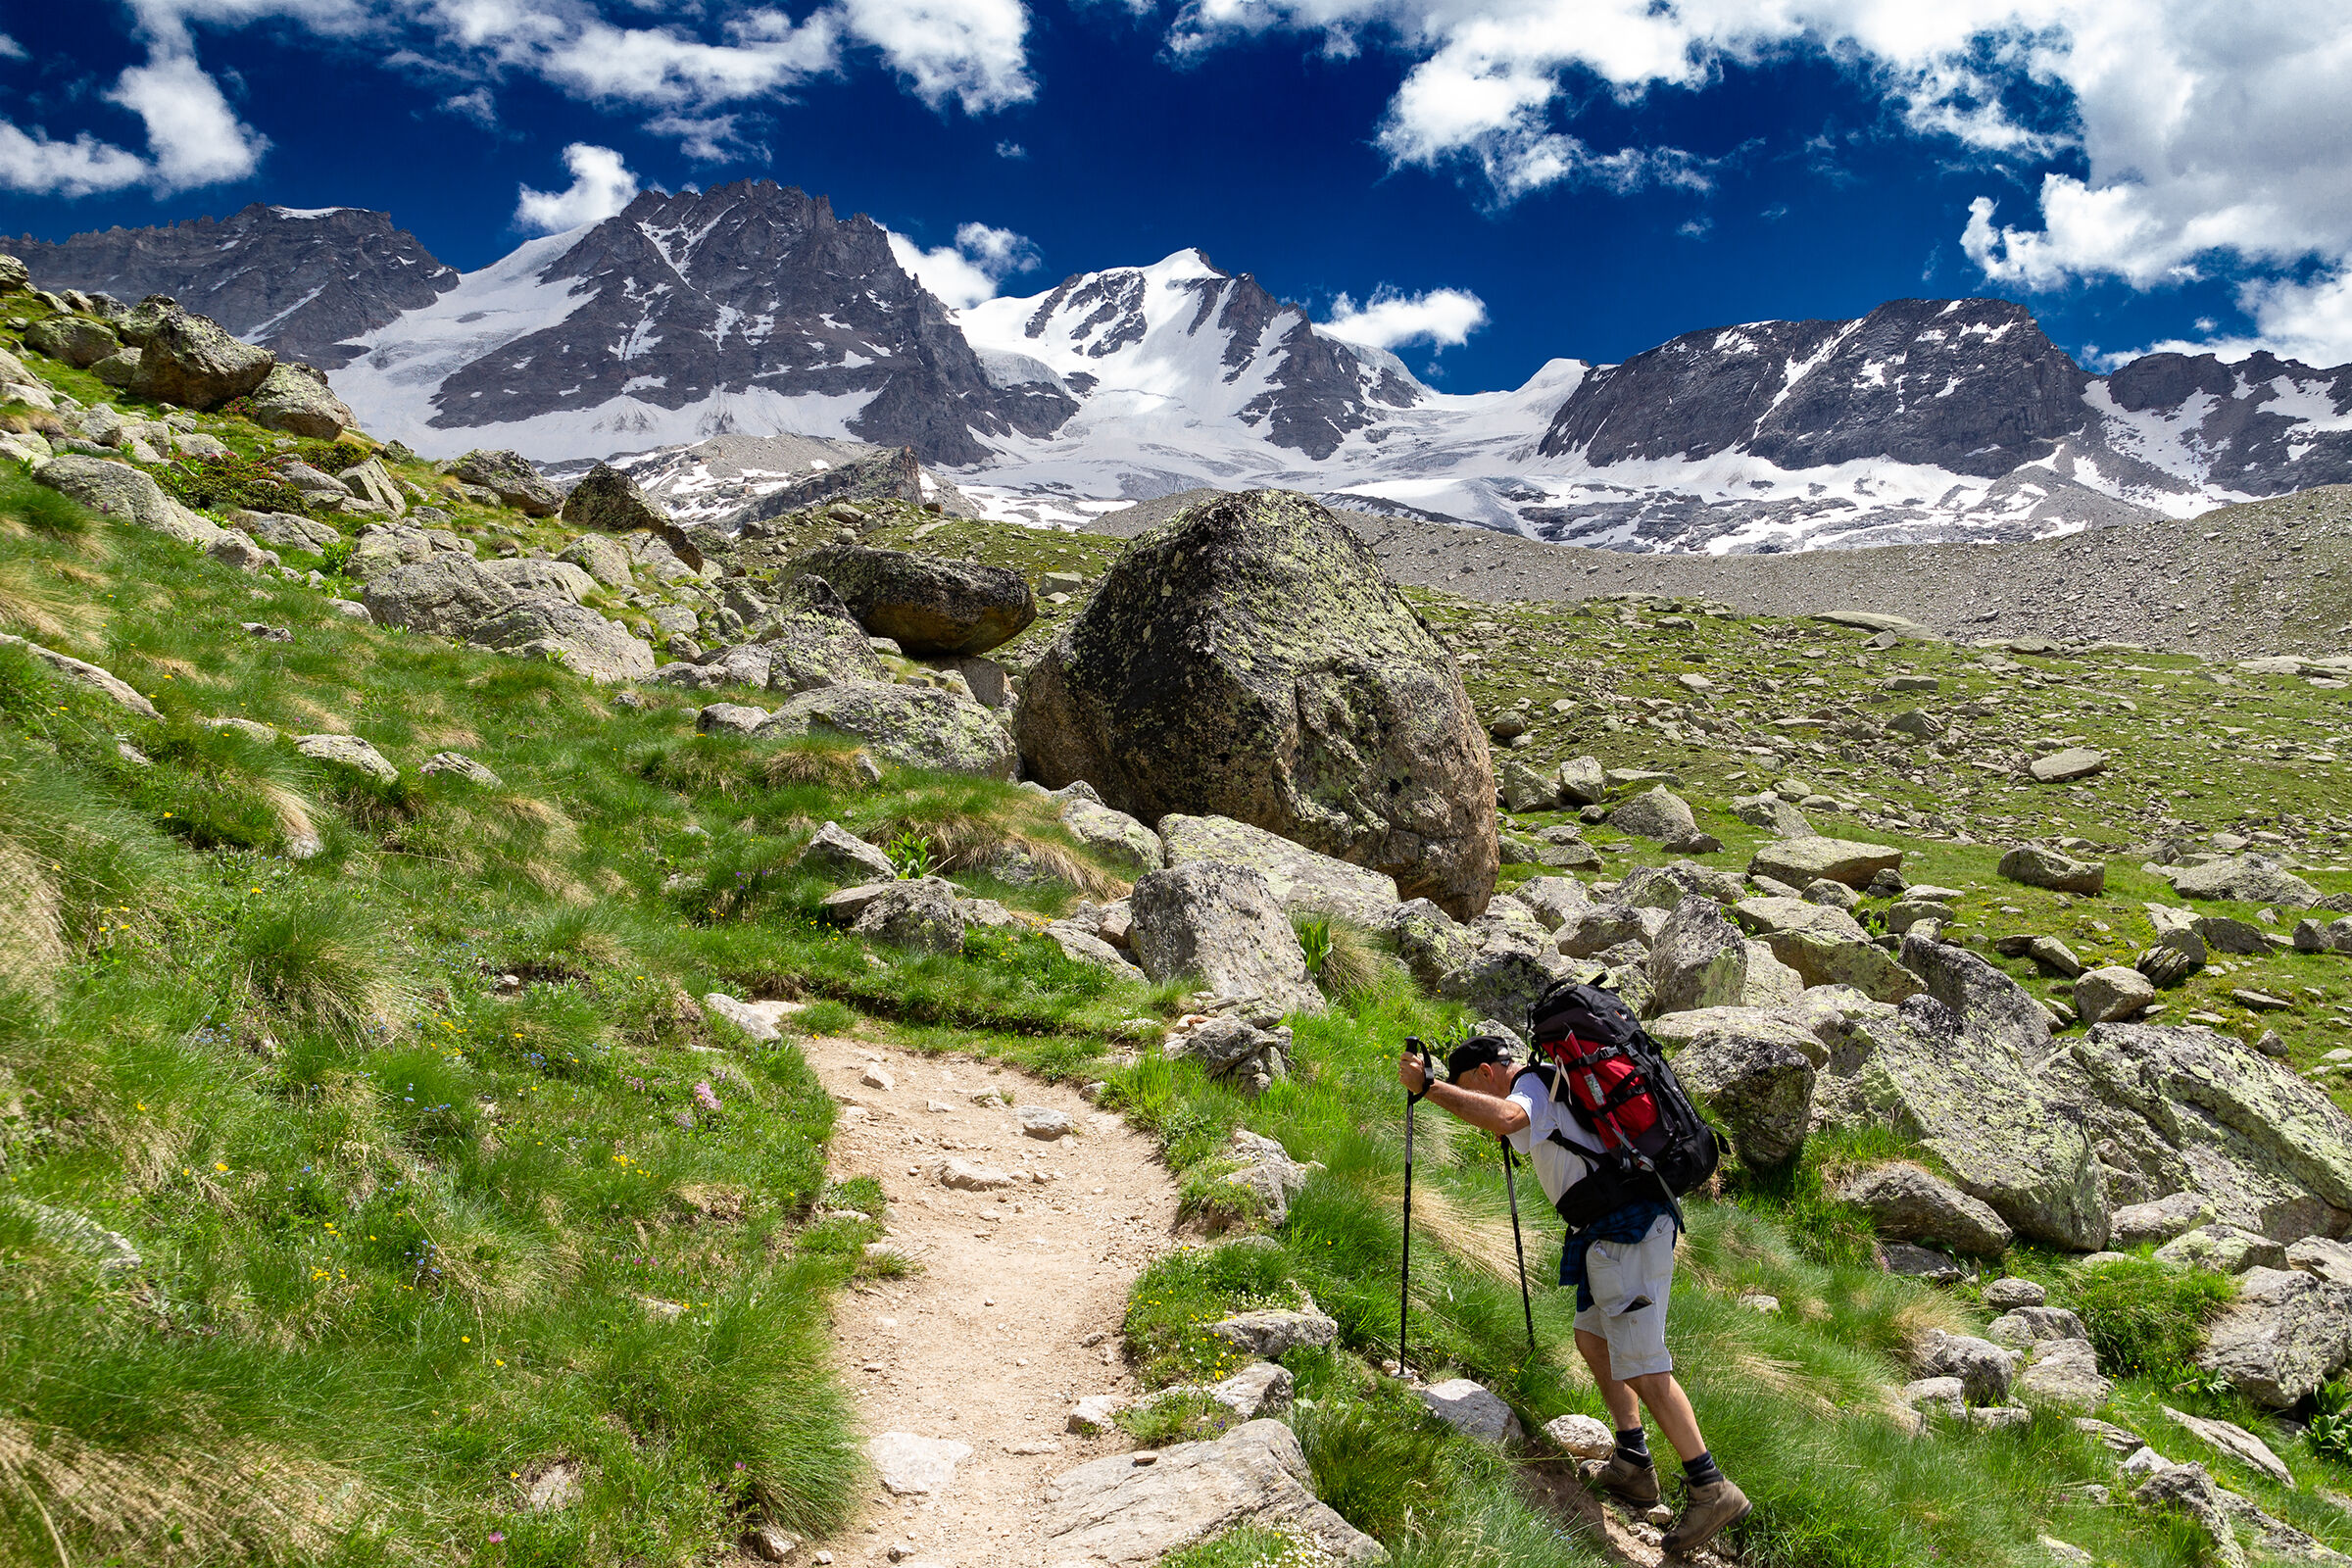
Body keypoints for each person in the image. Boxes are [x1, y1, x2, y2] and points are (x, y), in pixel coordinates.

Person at [1398, 1035, 1749, 1555]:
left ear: (1488, 1074)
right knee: (1593, 1341)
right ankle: (1633, 1461)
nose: (1472, 1094)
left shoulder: (1532, 1086)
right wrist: (1446, 1088)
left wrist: (1429, 1087)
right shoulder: (1550, 1086)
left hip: (1626, 1234)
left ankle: (1711, 1485)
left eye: (1469, 1083)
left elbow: (1506, 1119)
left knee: (1645, 1367)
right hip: (1602, 1234)